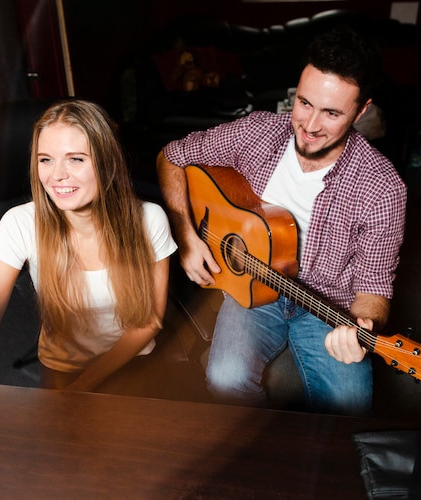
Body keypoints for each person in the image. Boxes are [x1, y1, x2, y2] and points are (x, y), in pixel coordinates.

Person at [156, 27, 407, 416]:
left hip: (328, 304)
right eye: (304, 103)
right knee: (225, 379)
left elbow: (374, 286)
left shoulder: (384, 188)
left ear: (361, 111)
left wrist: (361, 328)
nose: (309, 125)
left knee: (350, 409)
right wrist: (187, 237)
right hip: (251, 287)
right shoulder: (257, 132)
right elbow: (172, 156)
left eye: (332, 113)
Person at [0, 99, 177, 391]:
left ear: (106, 162)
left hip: (134, 364)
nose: (57, 175)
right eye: (46, 159)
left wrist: (84, 387)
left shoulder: (149, 219)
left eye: (76, 159)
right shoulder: (20, 223)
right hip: (63, 372)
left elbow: (148, 323)